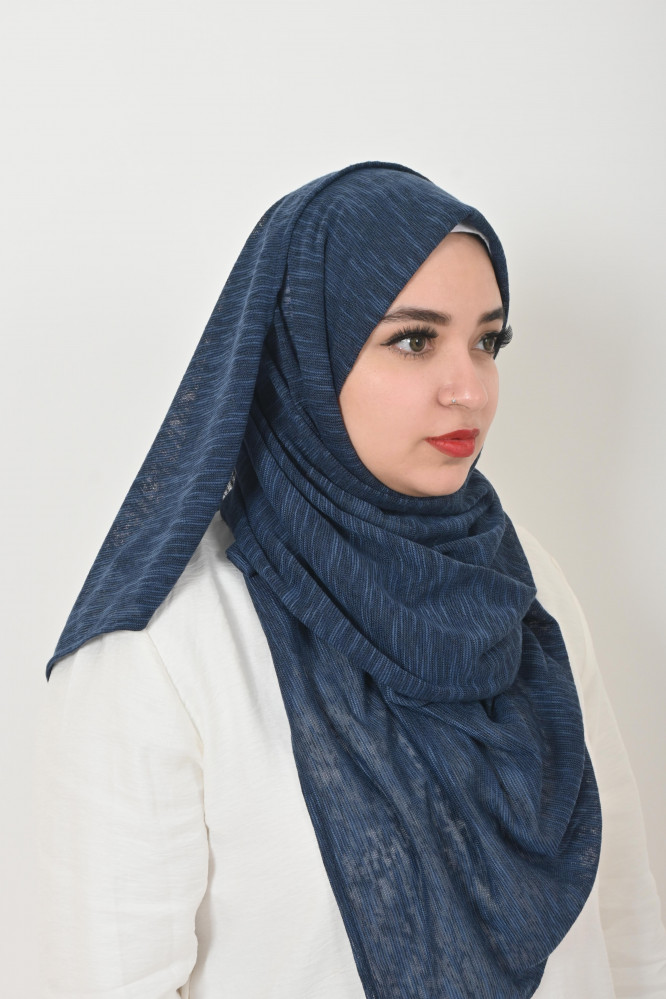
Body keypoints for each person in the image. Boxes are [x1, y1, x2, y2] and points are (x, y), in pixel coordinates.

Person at [38, 162, 666, 999]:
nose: (469, 389)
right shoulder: (162, 644)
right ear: (304, 346)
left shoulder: (521, 580)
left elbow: (621, 917)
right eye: (414, 340)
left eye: (488, 340)